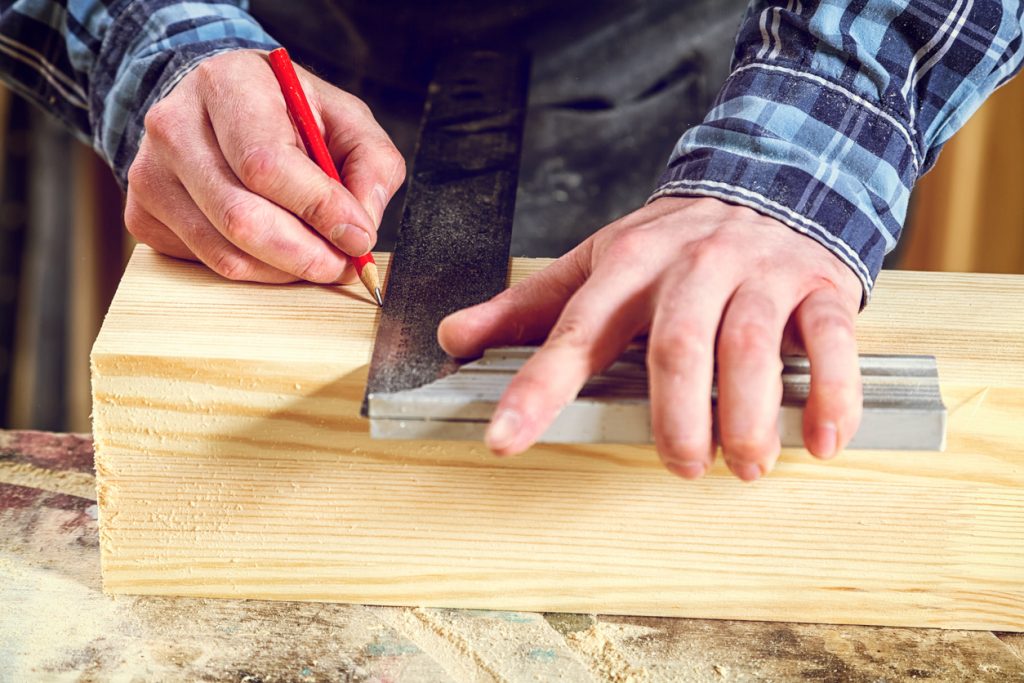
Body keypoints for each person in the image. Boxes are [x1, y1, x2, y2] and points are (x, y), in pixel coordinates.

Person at [1, 1, 1021, 481]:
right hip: (252, 32)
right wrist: (144, 37)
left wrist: (808, 139)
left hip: (660, 54)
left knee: (585, 441)